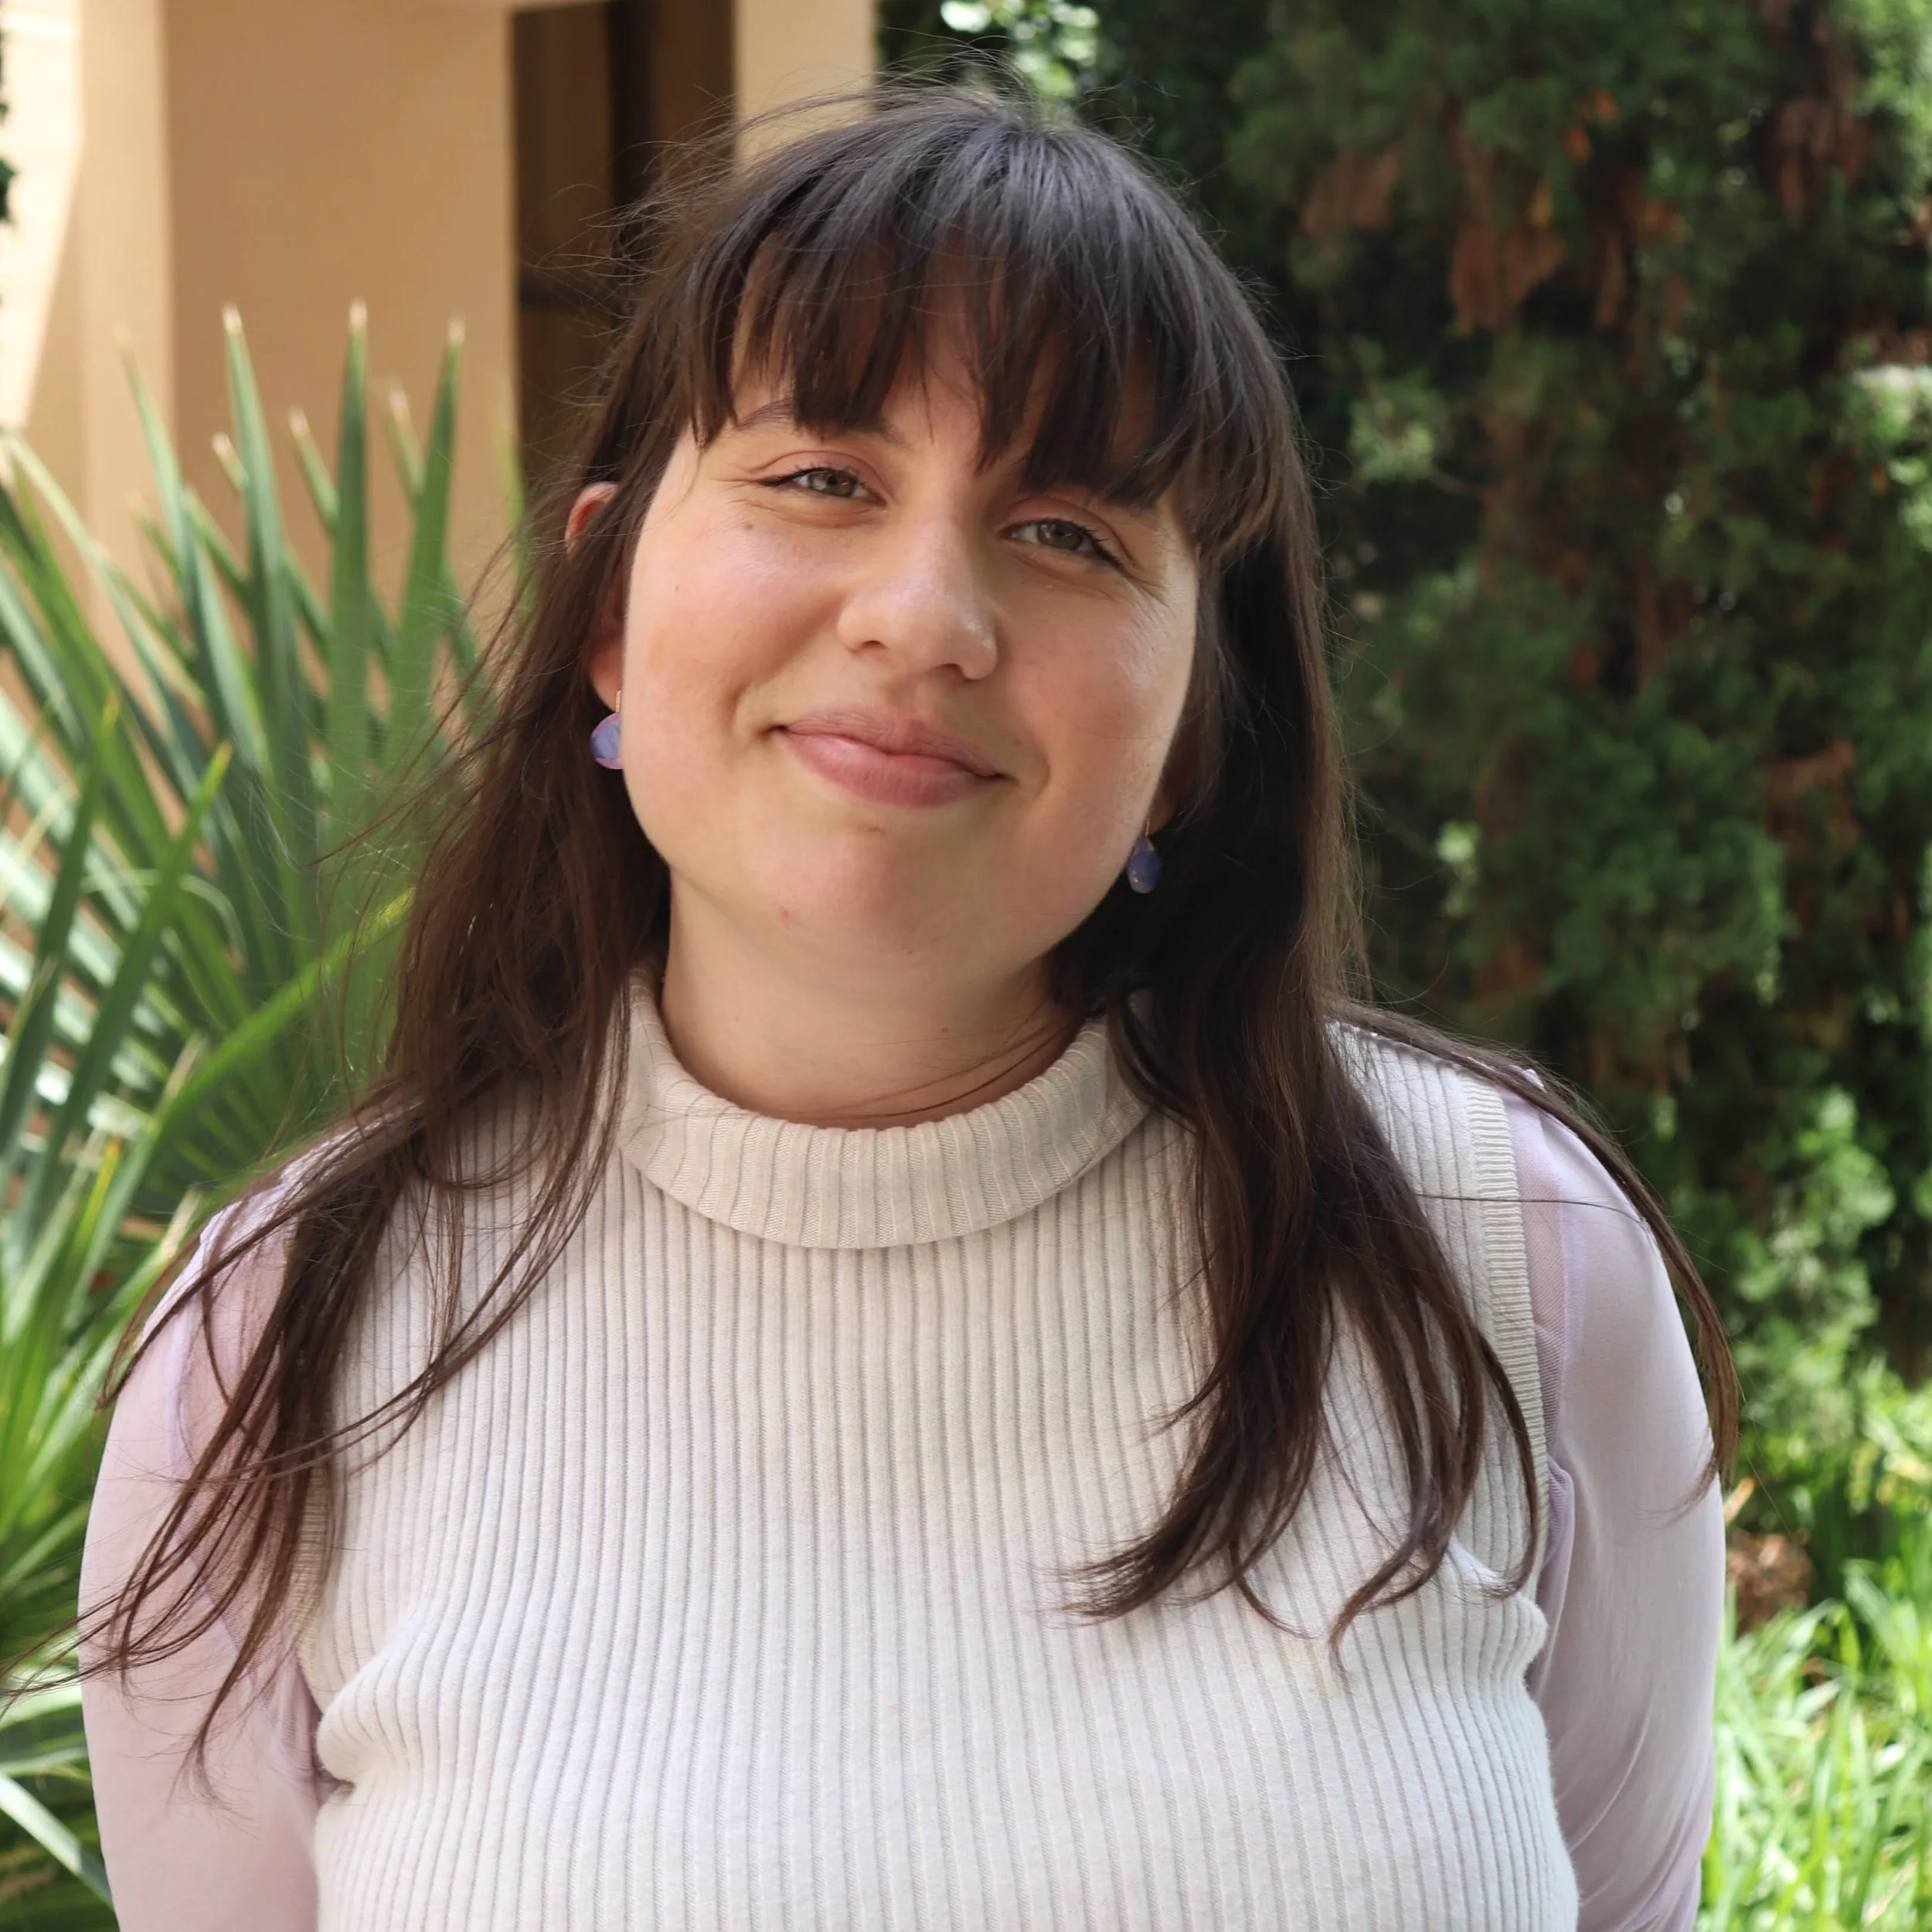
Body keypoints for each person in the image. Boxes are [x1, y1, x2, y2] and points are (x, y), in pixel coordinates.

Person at [78, 85, 1732, 1932]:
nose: (924, 613)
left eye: (1067, 530)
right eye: (821, 478)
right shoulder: (278, 1351)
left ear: (1194, 733)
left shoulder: (1501, 1256)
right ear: (607, 601)